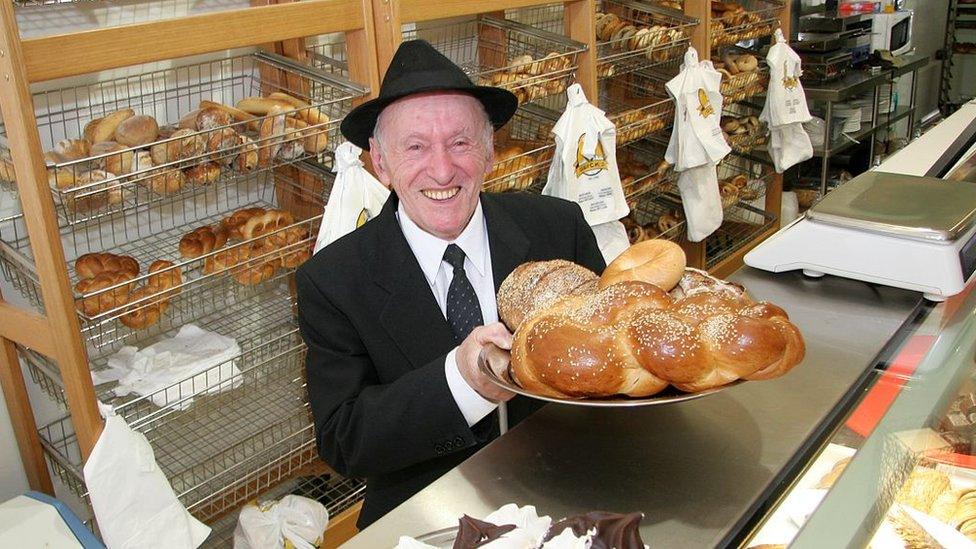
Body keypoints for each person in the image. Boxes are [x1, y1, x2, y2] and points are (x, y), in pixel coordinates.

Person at [296, 39, 605, 528]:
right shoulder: (334, 279)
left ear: (489, 151)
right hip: (427, 513)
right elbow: (345, 439)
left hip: (569, 489)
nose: (442, 170)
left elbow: (608, 356)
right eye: (415, 147)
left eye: (460, 142)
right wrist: (461, 381)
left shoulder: (558, 229)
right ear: (381, 161)